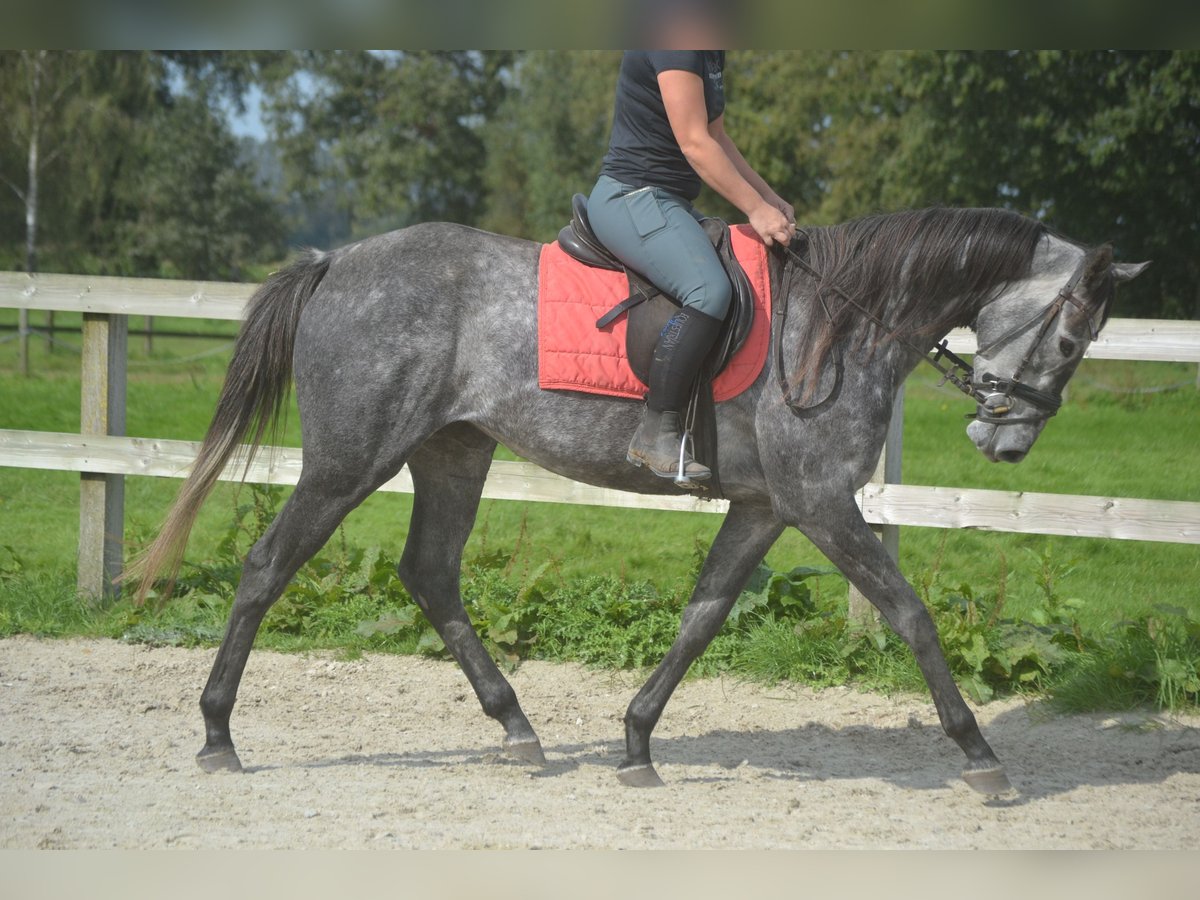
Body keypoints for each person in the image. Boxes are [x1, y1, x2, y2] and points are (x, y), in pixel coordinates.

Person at [587, 50, 795, 483]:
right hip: (633, 196)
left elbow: (716, 134)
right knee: (709, 290)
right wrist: (754, 209)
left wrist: (767, 196)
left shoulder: (711, 48)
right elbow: (694, 142)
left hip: (670, 201)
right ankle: (655, 428)